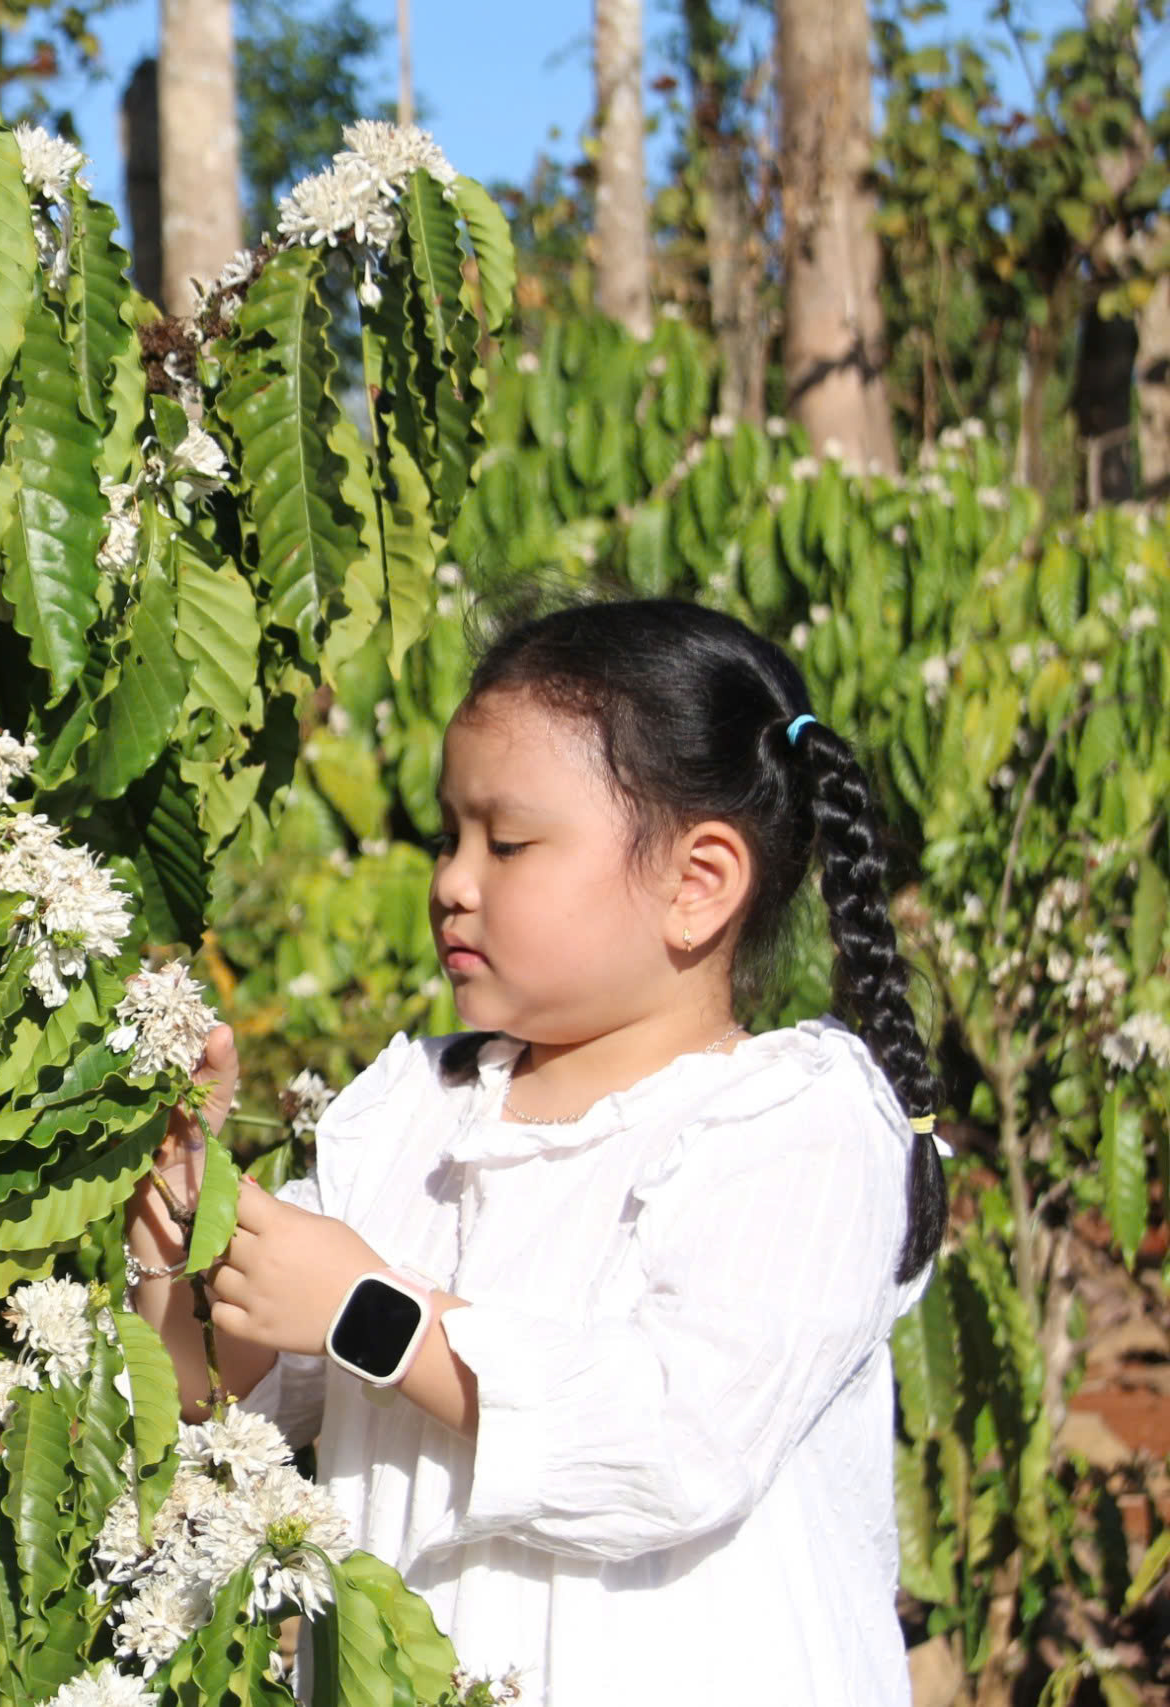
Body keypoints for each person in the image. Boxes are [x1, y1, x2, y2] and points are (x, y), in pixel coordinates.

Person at [122, 597, 947, 1706]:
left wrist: (369, 1308)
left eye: (507, 843)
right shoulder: (416, 1115)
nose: (452, 882)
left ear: (696, 883)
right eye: (449, 836)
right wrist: (190, 1222)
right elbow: (226, 1399)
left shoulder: (795, 1124)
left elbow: (669, 1443)